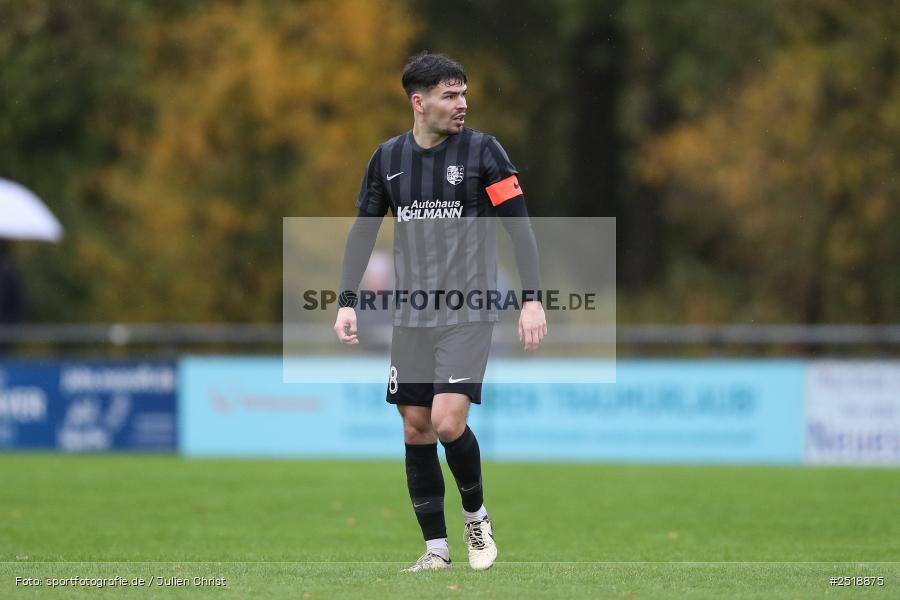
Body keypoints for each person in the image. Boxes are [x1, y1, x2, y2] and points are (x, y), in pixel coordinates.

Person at [334, 52, 547, 572]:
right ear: (419, 101)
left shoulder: (484, 152)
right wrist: (346, 301)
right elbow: (363, 231)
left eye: (463, 94)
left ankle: (476, 517)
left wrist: (532, 298)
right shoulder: (387, 158)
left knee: (448, 422)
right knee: (416, 427)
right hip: (410, 314)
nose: (461, 103)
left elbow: (520, 228)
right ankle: (436, 551)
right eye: (450, 95)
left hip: (467, 309)